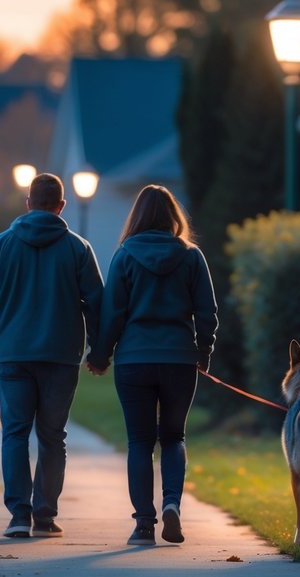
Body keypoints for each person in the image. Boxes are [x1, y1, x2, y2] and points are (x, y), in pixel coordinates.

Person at [0, 172, 103, 539]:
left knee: (14, 433)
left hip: (14, 355)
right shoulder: (78, 248)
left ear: (27, 203)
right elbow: (97, 303)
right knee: (53, 436)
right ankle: (44, 515)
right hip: (61, 356)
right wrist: (99, 351)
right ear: (61, 206)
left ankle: (17, 516)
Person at [86, 184, 217, 546]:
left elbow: (112, 313)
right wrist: (202, 353)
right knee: (174, 437)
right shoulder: (192, 257)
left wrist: (100, 356)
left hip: (134, 361)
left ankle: (144, 523)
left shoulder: (125, 256)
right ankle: (172, 502)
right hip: (178, 359)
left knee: (140, 442)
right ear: (174, 217)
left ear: (137, 217)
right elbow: (207, 313)